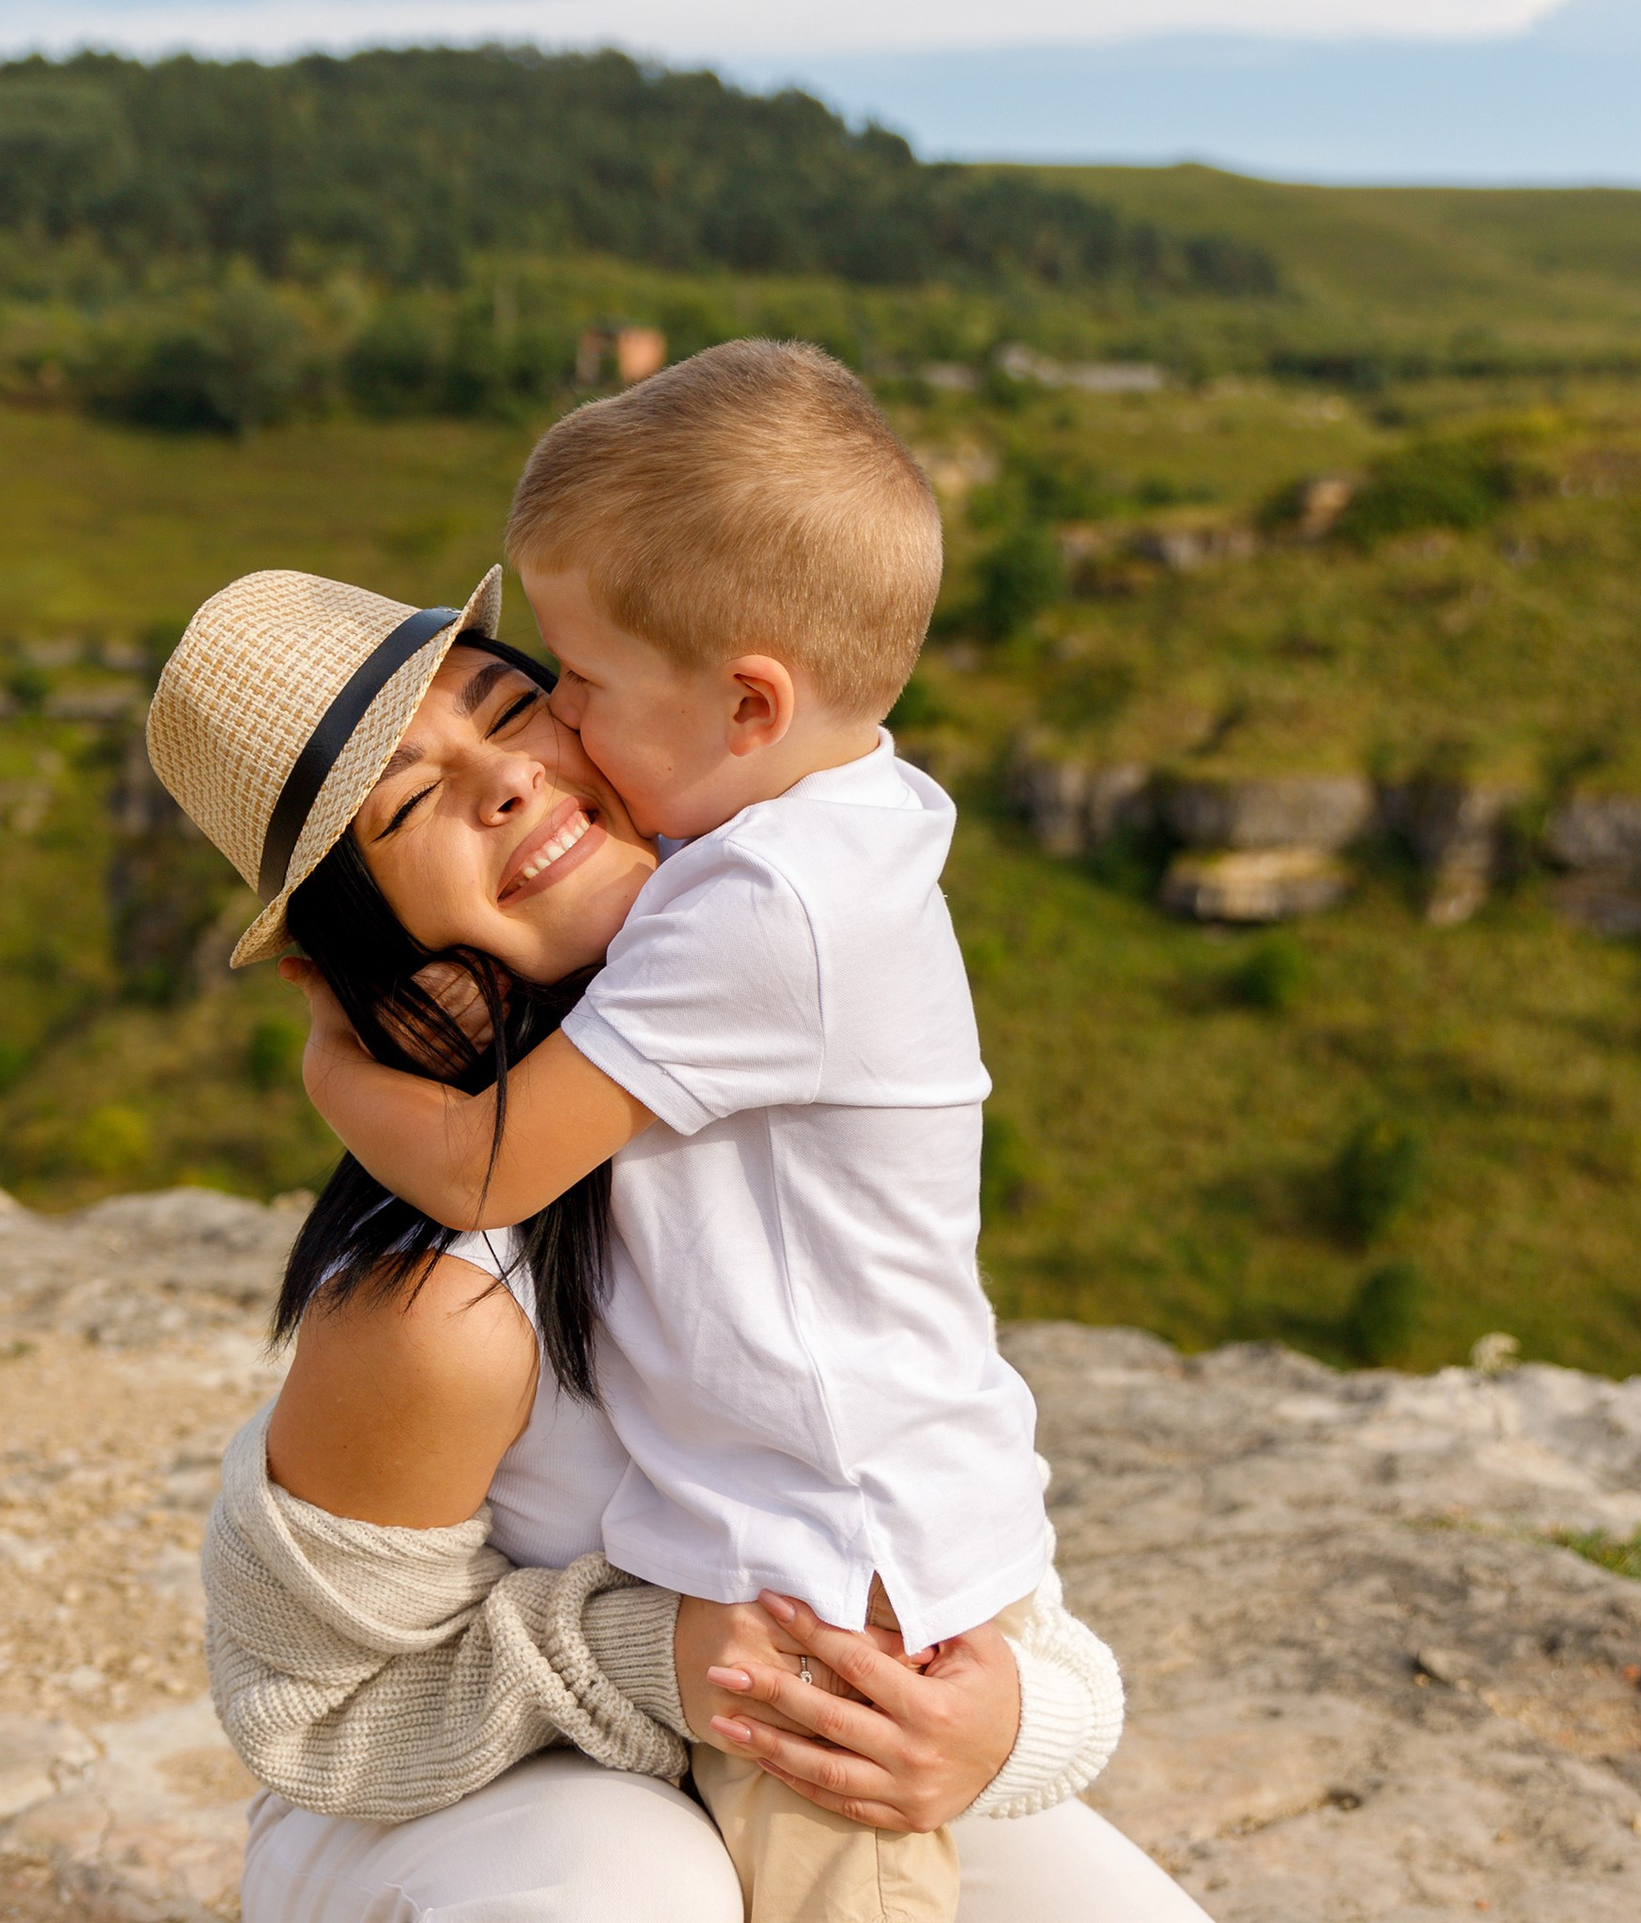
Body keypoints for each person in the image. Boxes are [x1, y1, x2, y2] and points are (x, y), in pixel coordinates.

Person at [148, 570, 1205, 1921]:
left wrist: (995, 1729)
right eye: (409, 802)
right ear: (355, 951)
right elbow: (320, 1721)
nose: (509, 781)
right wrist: (660, 1653)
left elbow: (942, 1525)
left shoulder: (786, 1107)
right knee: (633, 1890)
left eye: (514, 710)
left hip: (766, 1749)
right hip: (468, 1818)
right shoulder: (439, 1316)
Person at [289, 341, 1050, 1922]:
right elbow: (324, 1709)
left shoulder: (762, 903)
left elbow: (491, 1158)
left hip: (838, 1599)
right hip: (761, 1635)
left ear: (747, 704)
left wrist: (333, 1065)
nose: (537, 753)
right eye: (414, 803)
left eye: (555, 684)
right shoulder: (846, 826)